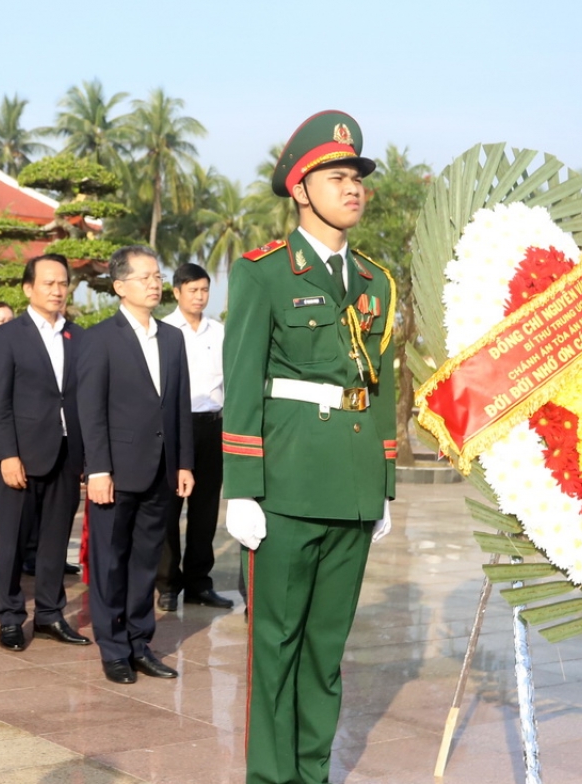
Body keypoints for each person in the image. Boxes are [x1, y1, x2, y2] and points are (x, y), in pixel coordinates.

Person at [223, 111, 397, 784]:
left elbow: (378, 389)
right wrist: (242, 486)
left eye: (357, 177)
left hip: (351, 486)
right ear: (299, 188)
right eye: (336, 176)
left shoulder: (375, 281)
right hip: (287, 487)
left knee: (326, 651)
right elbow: (243, 382)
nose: (352, 187)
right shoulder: (265, 272)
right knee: (276, 647)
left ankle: (311, 774)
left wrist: (383, 483)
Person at [78, 246, 194, 685]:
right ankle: (113, 648)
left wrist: (184, 461)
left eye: (157, 275)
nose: (154, 283)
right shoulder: (100, 338)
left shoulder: (172, 337)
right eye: (144, 277)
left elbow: (179, 404)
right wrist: (98, 469)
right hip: (116, 470)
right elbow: (91, 410)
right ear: (120, 285)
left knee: (146, 560)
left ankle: (140, 643)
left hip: (161, 468)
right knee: (110, 561)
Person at [0, 254, 92, 652]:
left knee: (54, 540)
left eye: (63, 283)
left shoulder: (80, 337)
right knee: (11, 541)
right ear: (28, 288)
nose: (57, 290)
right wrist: (7, 454)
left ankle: (49, 613)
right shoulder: (6, 337)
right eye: (48, 283)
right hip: (21, 456)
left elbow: (84, 400)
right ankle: (11, 616)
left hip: (66, 453)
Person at [157, 263, 233, 611]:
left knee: (205, 510)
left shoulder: (219, 332)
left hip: (212, 426)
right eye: (193, 290)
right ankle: (168, 584)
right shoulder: (163, 331)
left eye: (204, 290)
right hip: (174, 426)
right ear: (177, 292)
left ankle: (199, 583)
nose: (200, 296)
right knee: (169, 508)